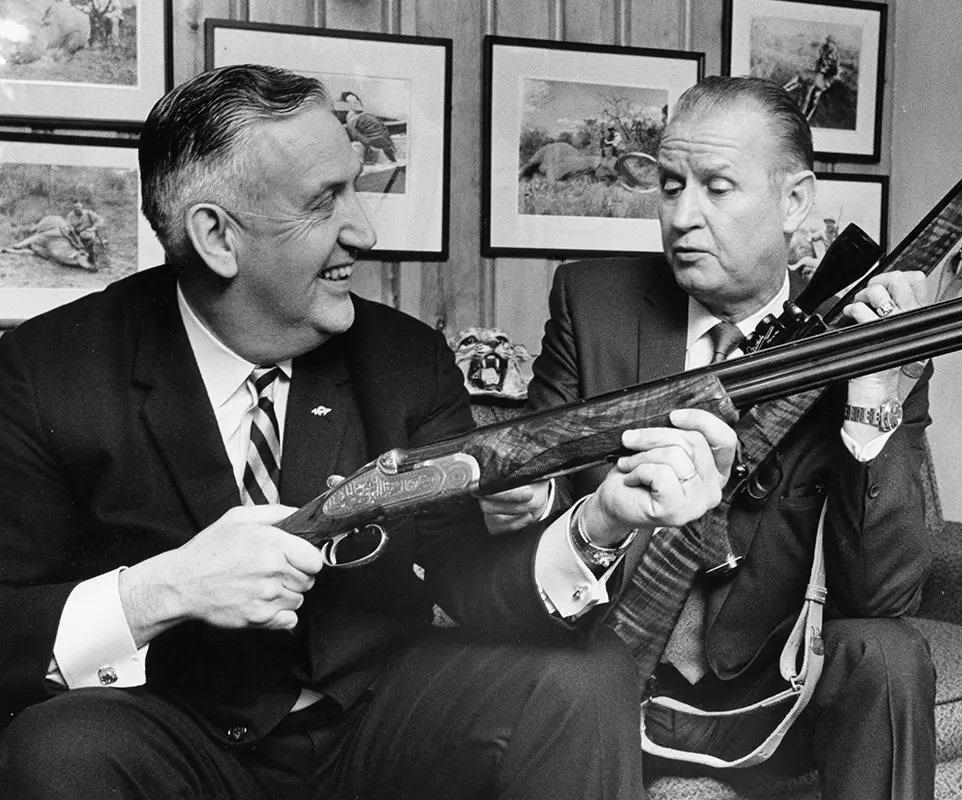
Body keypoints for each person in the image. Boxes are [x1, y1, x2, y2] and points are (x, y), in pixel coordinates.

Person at [0, 64, 737, 800]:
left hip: (373, 722)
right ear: (217, 236)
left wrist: (602, 520)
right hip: (169, 729)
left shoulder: (402, 357)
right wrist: (162, 590)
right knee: (58, 748)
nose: (364, 229)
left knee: (585, 675)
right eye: (325, 201)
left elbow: (473, 579)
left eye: (355, 187)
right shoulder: (46, 372)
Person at [483, 76, 936, 799]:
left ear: (795, 202)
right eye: (670, 186)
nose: (682, 216)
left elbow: (884, 593)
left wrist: (876, 396)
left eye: (717, 188)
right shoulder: (591, 300)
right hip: (611, 664)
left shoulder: (867, 338)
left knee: (891, 653)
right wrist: (520, 496)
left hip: (770, 685)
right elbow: (540, 485)